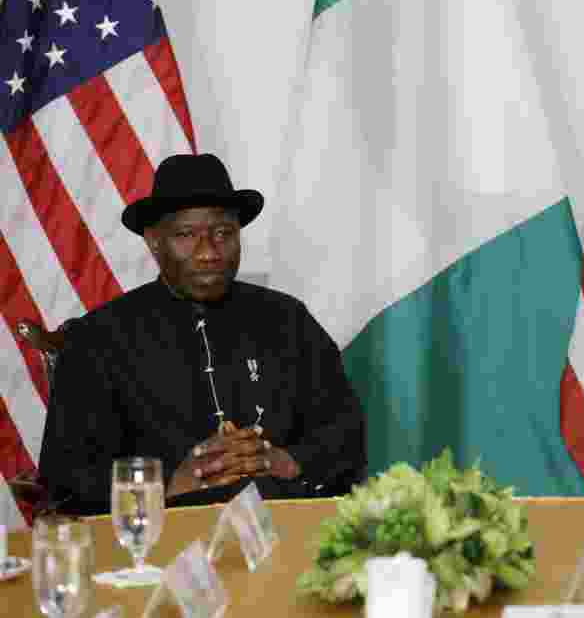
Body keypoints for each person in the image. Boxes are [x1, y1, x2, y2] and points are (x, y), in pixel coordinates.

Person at [38, 153, 366, 516]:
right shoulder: (98, 339)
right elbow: (65, 478)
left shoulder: (287, 319)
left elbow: (345, 433)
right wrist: (171, 484)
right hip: (154, 549)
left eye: (223, 233)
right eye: (186, 235)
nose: (209, 252)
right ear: (153, 241)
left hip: (286, 532)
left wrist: (281, 460)